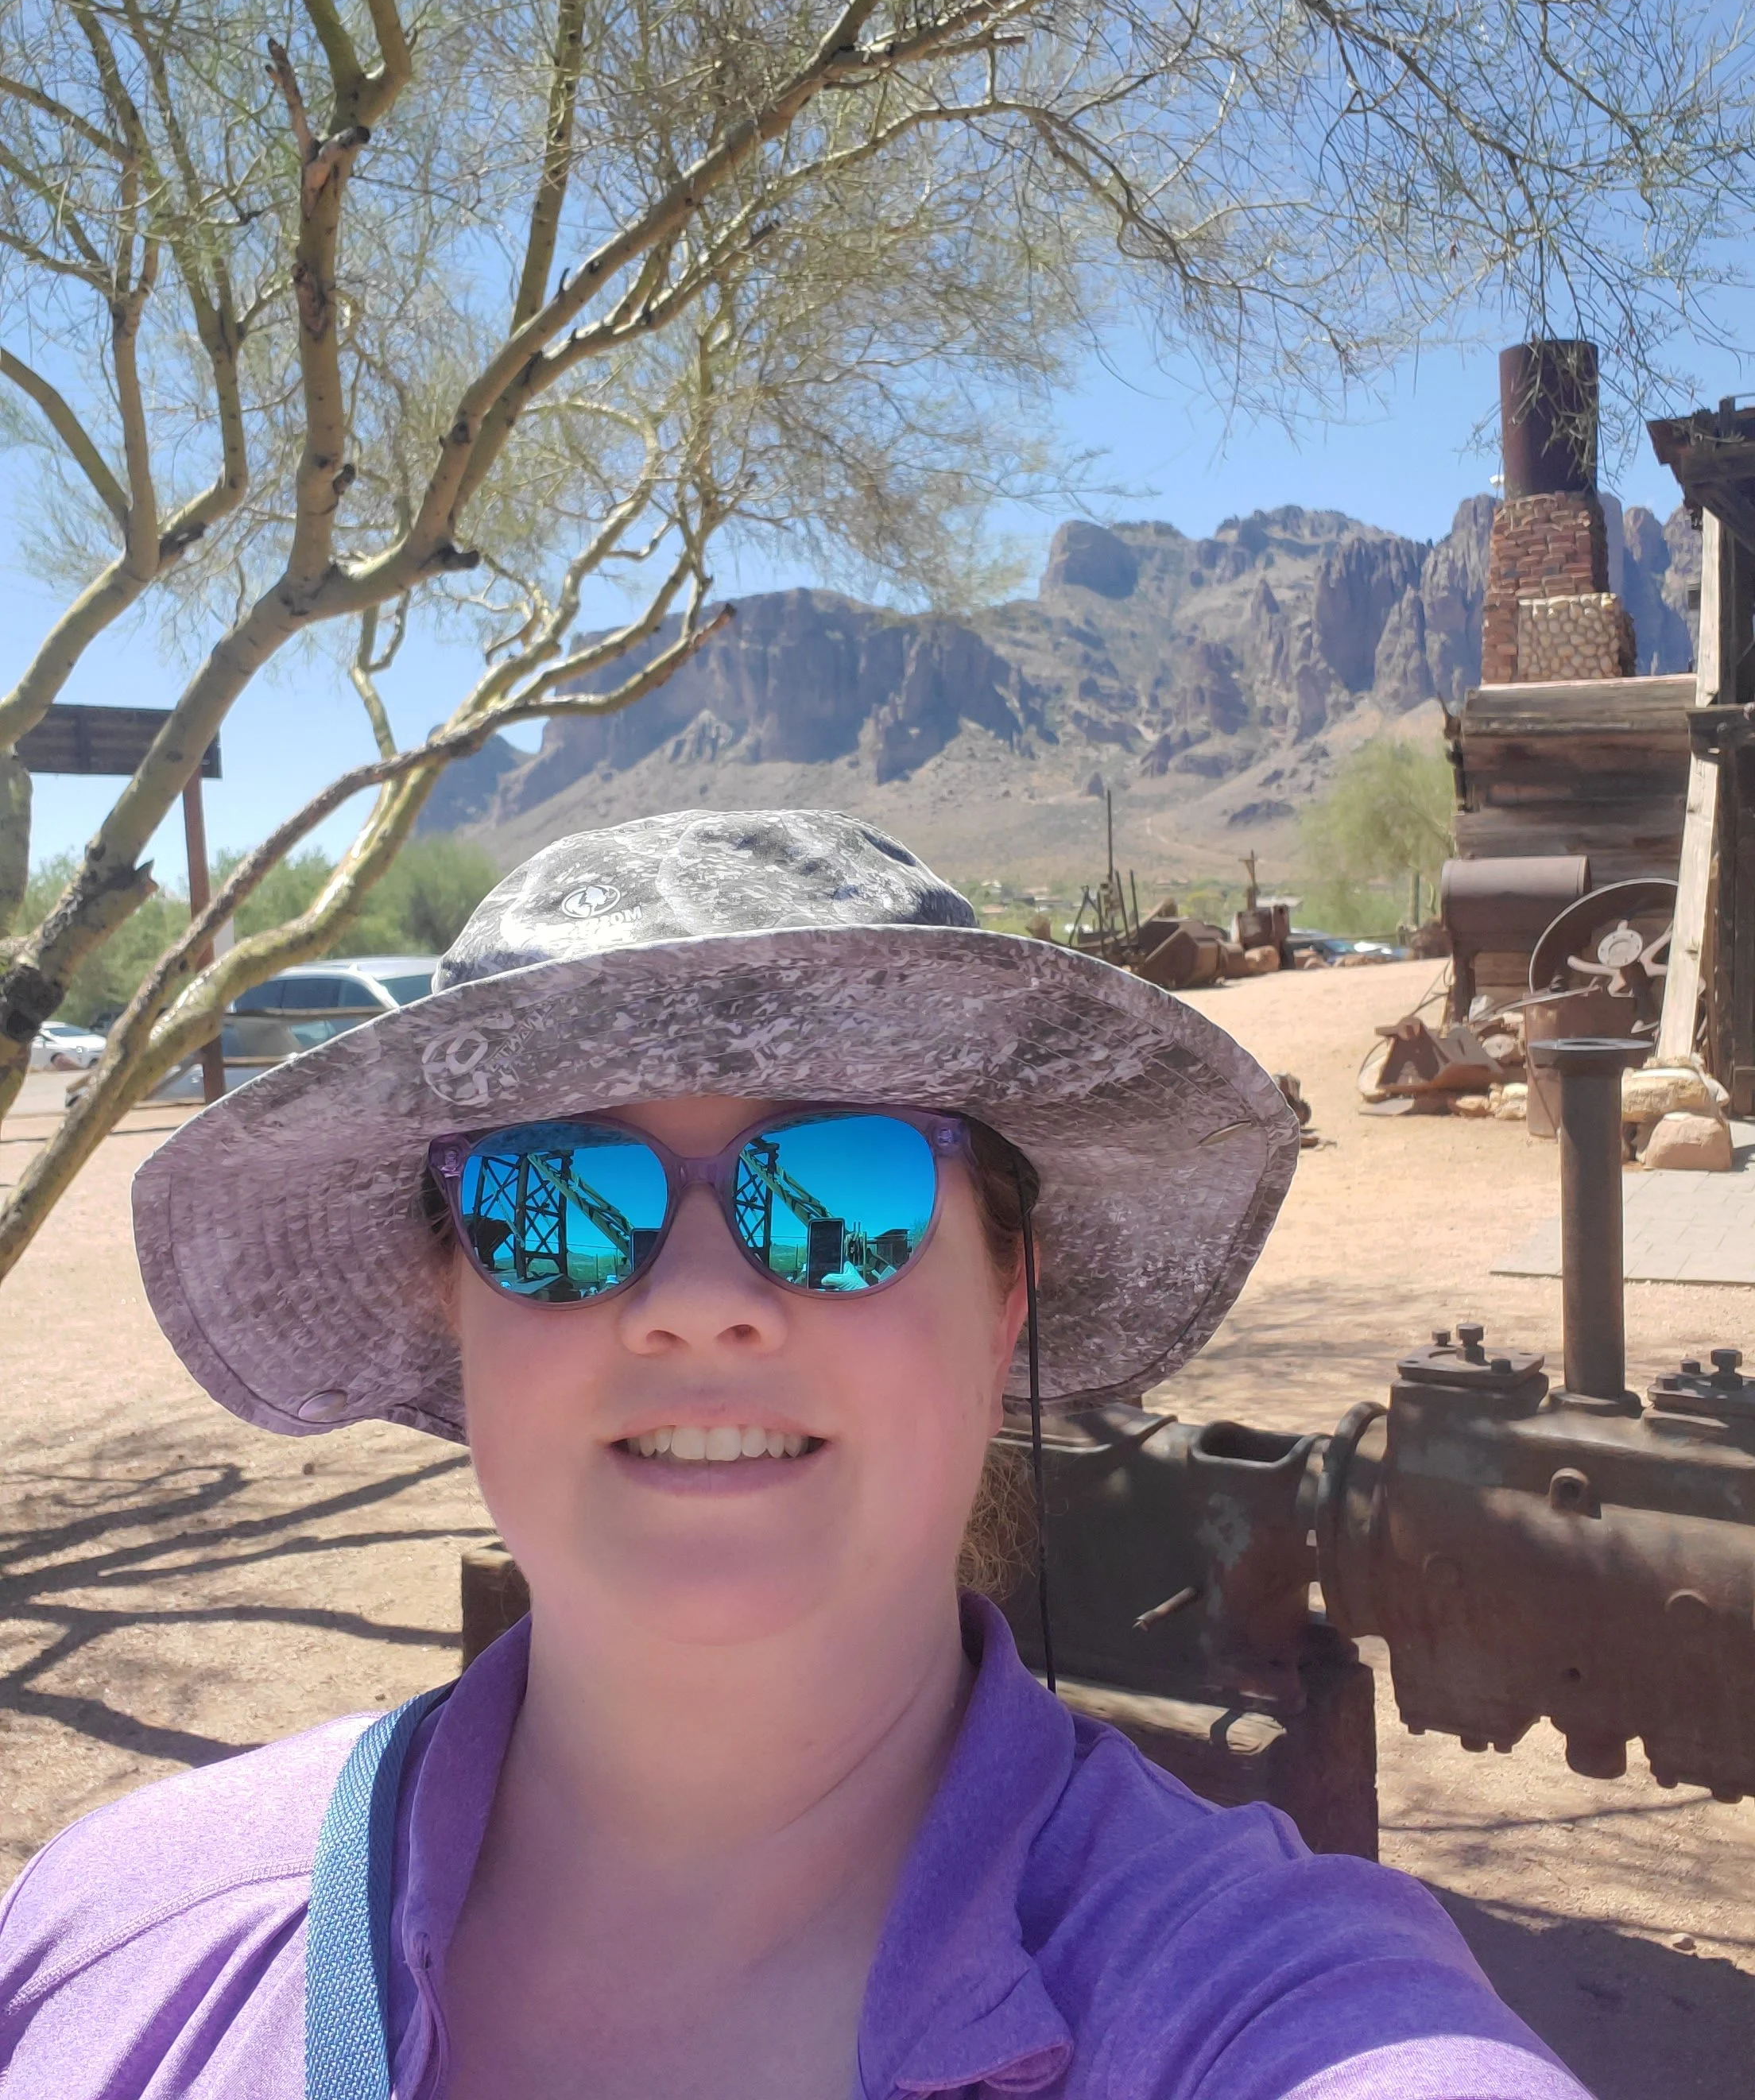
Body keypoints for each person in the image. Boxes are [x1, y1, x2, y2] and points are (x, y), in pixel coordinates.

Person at [0, 808, 1590, 2100]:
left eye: (845, 1184)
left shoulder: (1277, 2012)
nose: (699, 1302)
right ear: (454, 1299)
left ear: (1001, 1296)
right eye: (556, 1198)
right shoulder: (119, 1941)